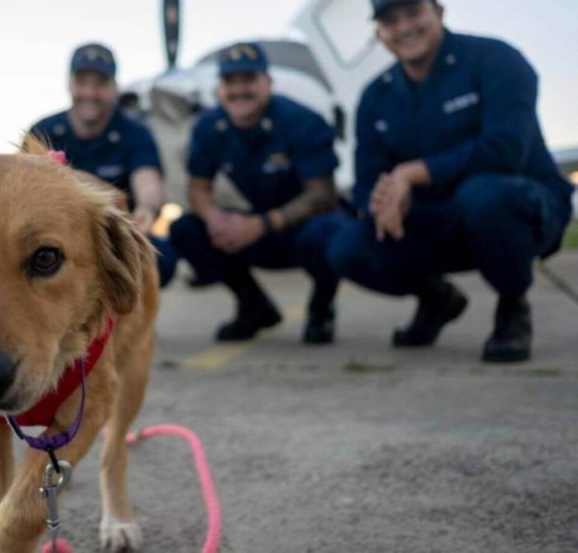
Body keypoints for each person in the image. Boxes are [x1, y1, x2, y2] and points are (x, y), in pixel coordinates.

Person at [326, 0, 573, 363]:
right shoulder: (375, 97)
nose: (404, 27)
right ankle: (436, 298)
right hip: (438, 218)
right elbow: (366, 180)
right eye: (390, 21)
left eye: (413, 13)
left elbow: (504, 151)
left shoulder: (497, 60)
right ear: (380, 35)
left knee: (486, 196)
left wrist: (410, 174)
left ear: (439, 12)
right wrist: (382, 201)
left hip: (519, 208)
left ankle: (513, 305)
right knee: (345, 246)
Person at [169, 42, 346, 344]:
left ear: (267, 83)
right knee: (186, 229)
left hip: (299, 228)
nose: (239, 90)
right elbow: (198, 187)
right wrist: (214, 218)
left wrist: (261, 225)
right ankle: (254, 306)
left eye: (248, 80)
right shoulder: (209, 127)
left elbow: (323, 195)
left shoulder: (301, 121)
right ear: (220, 88)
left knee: (330, 232)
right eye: (230, 82)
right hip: (256, 226)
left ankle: (322, 308)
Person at [29, 43, 178, 288]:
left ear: (114, 87)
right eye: (82, 82)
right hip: (56, 240)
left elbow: (148, 181)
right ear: (69, 84)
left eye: (100, 83)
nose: (90, 92)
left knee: (162, 258)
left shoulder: (135, 132)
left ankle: (132, 321)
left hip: (115, 236)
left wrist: (147, 209)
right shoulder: (42, 131)